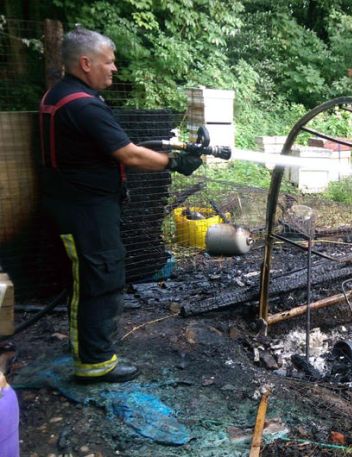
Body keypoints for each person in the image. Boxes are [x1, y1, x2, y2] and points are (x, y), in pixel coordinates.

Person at [39, 27, 202, 383]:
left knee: (94, 277)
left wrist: (168, 152)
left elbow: (112, 146)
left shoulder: (62, 94)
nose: (114, 69)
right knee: (99, 279)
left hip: (78, 204)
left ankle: (92, 351)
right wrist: (174, 163)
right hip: (85, 210)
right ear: (86, 63)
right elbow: (127, 153)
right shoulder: (82, 105)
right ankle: (95, 364)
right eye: (109, 63)